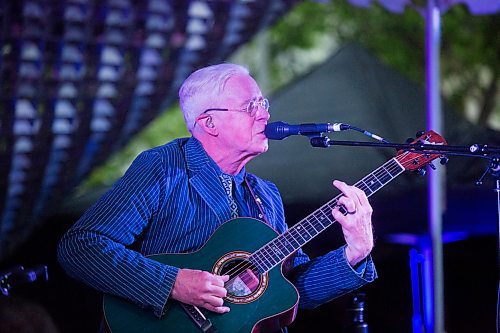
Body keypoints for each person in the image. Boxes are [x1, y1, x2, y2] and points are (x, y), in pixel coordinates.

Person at [57, 63, 376, 332]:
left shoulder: (265, 194)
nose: (264, 115)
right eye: (251, 106)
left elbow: (292, 289)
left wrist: (355, 252)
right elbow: (80, 246)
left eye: (263, 104)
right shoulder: (165, 167)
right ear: (209, 123)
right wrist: (173, 283)